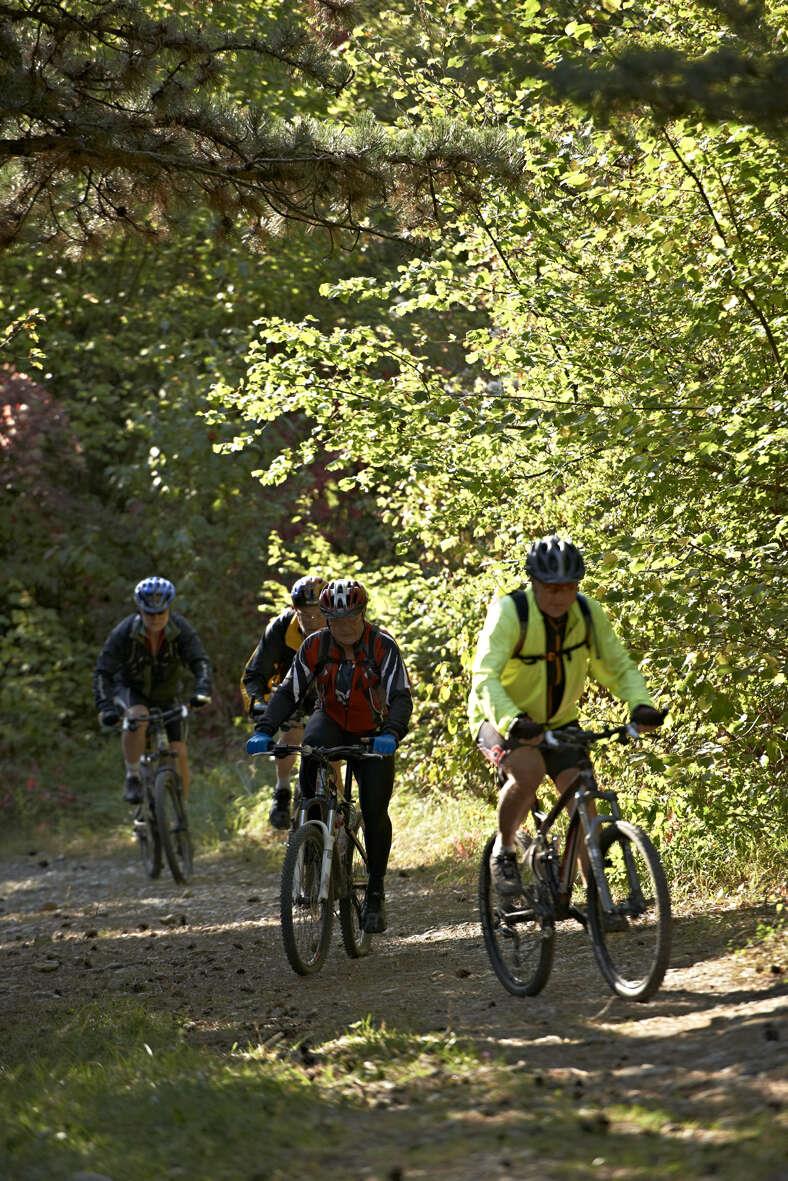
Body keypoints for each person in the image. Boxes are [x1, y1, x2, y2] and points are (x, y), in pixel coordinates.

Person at [468, 534, 665, 897]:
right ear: (534, 583)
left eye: (568, 587)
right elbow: (485, 676)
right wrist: (513, 721)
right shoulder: (511, 612)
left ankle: (596, 897)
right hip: (499, 715)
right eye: (550, 588)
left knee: (583, 798)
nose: (559, 596)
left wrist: (639, 704)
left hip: (558, 720)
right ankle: (505, 849)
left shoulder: (587, 614)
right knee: (528, 773)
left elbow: (618, 666)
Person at [248, 578, 412, 934]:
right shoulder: (314, 646)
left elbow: (401, 696)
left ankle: (376, 892)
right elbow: (288, 693)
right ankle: (313, 835)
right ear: (325, 618)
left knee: (374, 810)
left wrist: (391, 733)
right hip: (332, 719)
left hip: (374, 728)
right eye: (335, 619)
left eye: (351, 617)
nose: (344, 626)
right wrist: (265, 728)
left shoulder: (382, 646)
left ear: (363, 613)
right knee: (310, 748)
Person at [93, 577, 212, 804]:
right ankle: (133, 776)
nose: (155, 618)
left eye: (161, 613)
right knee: (139, 716)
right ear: (140, 610)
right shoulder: (125, 631)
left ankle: (181, 816)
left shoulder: (181, 629)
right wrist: (105, 707)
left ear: (169, 609)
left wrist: (202, 690)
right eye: (149, 614)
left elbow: (200, 661)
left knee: (179, 751)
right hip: (131, 690)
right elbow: (102, 671)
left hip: (167, 694)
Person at [241, 575, 327, 829]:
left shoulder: (342, 626)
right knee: (291, 733)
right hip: (291, 692)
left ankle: (338, 808)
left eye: (317, 613)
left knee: (331, 751)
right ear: (293, 610)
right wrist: (258, 706)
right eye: (304, 613)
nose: (311, 620)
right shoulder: (279, 629)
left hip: (330, 692)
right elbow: (255, 674)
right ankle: (282, 791)